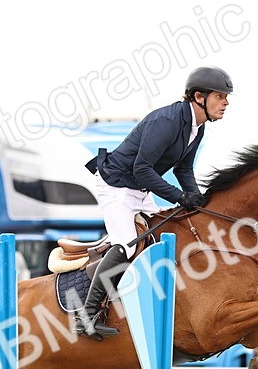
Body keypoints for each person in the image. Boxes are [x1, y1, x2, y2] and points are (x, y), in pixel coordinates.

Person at [74, 66, 233, 340]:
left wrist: (195, 197)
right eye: (220, 96)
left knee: (163, 237)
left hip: (138, 186)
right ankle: (86, 315)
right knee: (126, 245)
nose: (226, 102)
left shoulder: (198, 128)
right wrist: (178, 196)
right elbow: (142, 168)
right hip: (116, 184)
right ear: (199, 96)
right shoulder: (167, 122)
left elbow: (184, 169)